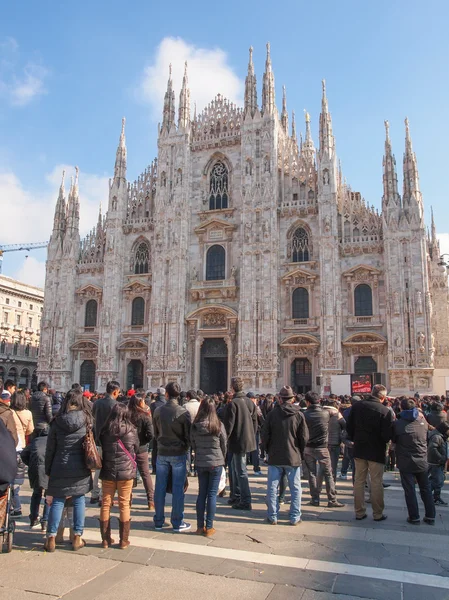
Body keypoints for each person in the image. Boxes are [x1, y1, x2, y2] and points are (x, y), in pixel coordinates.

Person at [44, 389, 93, 552]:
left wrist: (48, 469)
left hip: (60, 464)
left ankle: (51, 537)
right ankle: (77, 537)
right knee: (79, 500)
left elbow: (50, 448)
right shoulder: (86, 419)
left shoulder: (57, 420)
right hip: (80, 465)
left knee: (58, 500)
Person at [261, 385, 309, 525]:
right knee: (295, 488)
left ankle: (272, 516)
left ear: (280, 399)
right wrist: (299, 451)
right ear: (293, 398)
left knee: (272, 487)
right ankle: (294, 517)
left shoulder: (272, 414)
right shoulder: (299, 414)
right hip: (293, 456)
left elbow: (265, 435)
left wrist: (267, 450)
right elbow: (304, 437)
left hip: (275, 456)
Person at [346, 384, 393, 521]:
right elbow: (386, 435)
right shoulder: (385, 411)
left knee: (359, 481)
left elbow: (349, 428)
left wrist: (357, 438)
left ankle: (359, 512)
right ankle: (378, 514)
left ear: (371, 393)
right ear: (383, 397)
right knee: (376, 482)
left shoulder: (357, 406)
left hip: (359, 449)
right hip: (376, 451)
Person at [99, 403, 139, 549]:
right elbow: (136, 447)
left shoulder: (105, 430)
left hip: (108, 470)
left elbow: (101, 445)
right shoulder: (131, 430)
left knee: (105, 504)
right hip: (126, 472)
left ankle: (105, 539)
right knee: (124, 504)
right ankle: (123, 540)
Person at [153, 382, 192, 532]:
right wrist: (185, 448)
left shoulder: (157, 411)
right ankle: (177, 522)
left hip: (162, 452)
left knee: (160, 487)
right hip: (178, 453)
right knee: (178, 488)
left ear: (167, 394)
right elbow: (188, 435)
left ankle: (158, 521)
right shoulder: (183, 412)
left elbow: (155, 433)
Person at [393, 398, 435, 524]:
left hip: (405, 460)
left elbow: (394, 440)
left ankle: (414, 517)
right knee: (426, 488)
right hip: (422, 458)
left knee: (409, 489)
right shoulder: (422, 420)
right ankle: (430, 516)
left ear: (401, 408)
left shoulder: (398, 423)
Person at [191, 397, 227, 536]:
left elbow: (192, 443)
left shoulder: (195, 426)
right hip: (216, 463)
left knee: (202, 494)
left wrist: (199, 452)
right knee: (212, 494)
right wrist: (222, 458)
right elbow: (224, 443)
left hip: (201, 462)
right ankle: (209, 527)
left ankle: (200, 526)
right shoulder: (218, 424)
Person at [303, 392, 344, 509]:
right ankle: (332, 499)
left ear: (307, 402)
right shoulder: (326, 413)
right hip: (322, 447)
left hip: (308, 447)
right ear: (319, 401)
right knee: (328, 473)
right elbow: (336, 413)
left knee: (312, 474)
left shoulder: (304, 414)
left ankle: (315, 499)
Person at [223, 377, 257, 511]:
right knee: (234, 468)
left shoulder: (233, 404)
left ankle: (245, 500)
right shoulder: (250, 402)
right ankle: (236, 495)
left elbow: (228, 427)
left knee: (241, 470)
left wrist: (224, 440)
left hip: (238, 442)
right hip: (247, 440)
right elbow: (255, 421)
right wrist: (251, 436)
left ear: (232, 387)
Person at [91, 380, 120, 504]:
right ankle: (104, 495)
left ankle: (94, 493)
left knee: (98, 467)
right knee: (108, 467)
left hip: (98, 439)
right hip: (110, 441)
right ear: (114, 391)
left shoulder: (97, 403)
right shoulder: (116, 405)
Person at [128, 392, 155, 510]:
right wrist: (144, 441)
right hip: (142, 449)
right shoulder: (145, 416)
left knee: (129, 474)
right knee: (145, 474)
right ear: (140, 402)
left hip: (128, 449)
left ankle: (128, 500)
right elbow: (151, 434)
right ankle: (151, 501)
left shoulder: (126, 415)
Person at [10, 391, 34, 516]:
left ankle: (12, 505)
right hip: (22, 448)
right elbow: (30, 430)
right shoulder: (28, 413)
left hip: (9, 446)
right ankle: (17, 506)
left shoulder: (9, 413)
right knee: (18, 479)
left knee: (7, 479)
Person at [21, 428, 50, 530]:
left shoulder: (35, 441)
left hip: (35, 469)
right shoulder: (53, 440)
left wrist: (31, 463)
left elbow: (23, 454)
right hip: (48, 469)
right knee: (49, 495)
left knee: (36, 493)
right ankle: (45, 521)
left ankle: (33, 518)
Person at [427, 421, 449, 506]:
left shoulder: (442, 436)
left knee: (439, 479)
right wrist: (441, 458)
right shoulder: (437, 437)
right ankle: (432, 495)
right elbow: (432, 449)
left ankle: (432, 495)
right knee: (438, 480)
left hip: (438, 462)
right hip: (436, 462)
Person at [150, 387, 166, 474]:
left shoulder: (153, 405)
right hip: (165, 430)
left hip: (155, 429)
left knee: (155, 449)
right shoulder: (166, 404)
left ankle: (155, 468)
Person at [247, 392, 264, 476]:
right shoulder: (256, 408)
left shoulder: (244, 407)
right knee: (255, 450)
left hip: (246, 431)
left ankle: (244, 466)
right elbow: (261, 419)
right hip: (254, 431)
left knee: (245, 450)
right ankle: (256, 468)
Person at [0, 381, 18, 446]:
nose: (14, 390)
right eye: (13, 388)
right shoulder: (6, 394)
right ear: (9, 387)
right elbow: (13, 434)